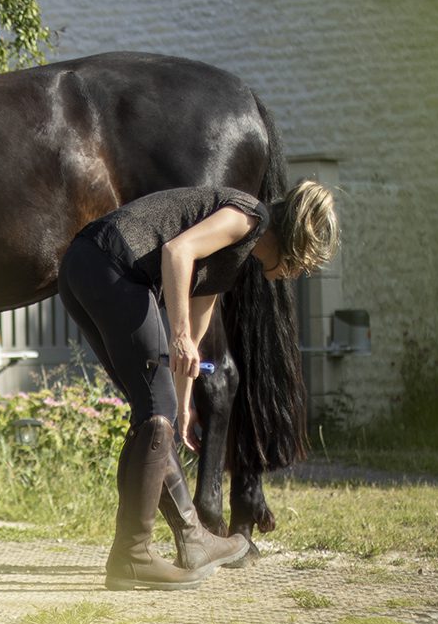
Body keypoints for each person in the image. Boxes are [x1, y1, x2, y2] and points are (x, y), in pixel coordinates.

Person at [57, 181, 340, 590]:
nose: (300, 274)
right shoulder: (248, 217)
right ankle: (135, 555)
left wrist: (185, 403)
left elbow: (200, 306)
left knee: (155, 413)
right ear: (295, 239)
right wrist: (178, 335)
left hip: (86, 269)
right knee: (155, 413)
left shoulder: (237, 250)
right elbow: (178, 251)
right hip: (112, 269)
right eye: (305, 263)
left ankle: (190, 542)